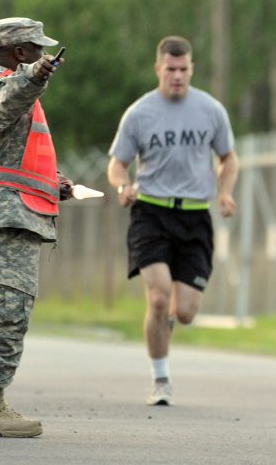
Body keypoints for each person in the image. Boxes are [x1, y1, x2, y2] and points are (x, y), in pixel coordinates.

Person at [0, 17, 73, 437]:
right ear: (20, 53)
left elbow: (7, 158)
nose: (43, 54)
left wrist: (54, 184)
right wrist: (37, 76)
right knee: (6, 310)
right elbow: (12, 97)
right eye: (36, 49)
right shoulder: (2, 86)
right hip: (2, 218)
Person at [107, 36, 238, 406]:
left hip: (195, 216)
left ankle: (163, 325)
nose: (177, 76)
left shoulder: (210, 110)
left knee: (185, 311)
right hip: (151, 211)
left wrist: (225, 191)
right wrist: (122, 185)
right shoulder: (139, 113)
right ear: (158, 69)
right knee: (160, 297)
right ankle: (160, 379)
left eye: (183, 69)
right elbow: (117, 163)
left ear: (192, 68)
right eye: (170, 69)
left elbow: (229, 158)